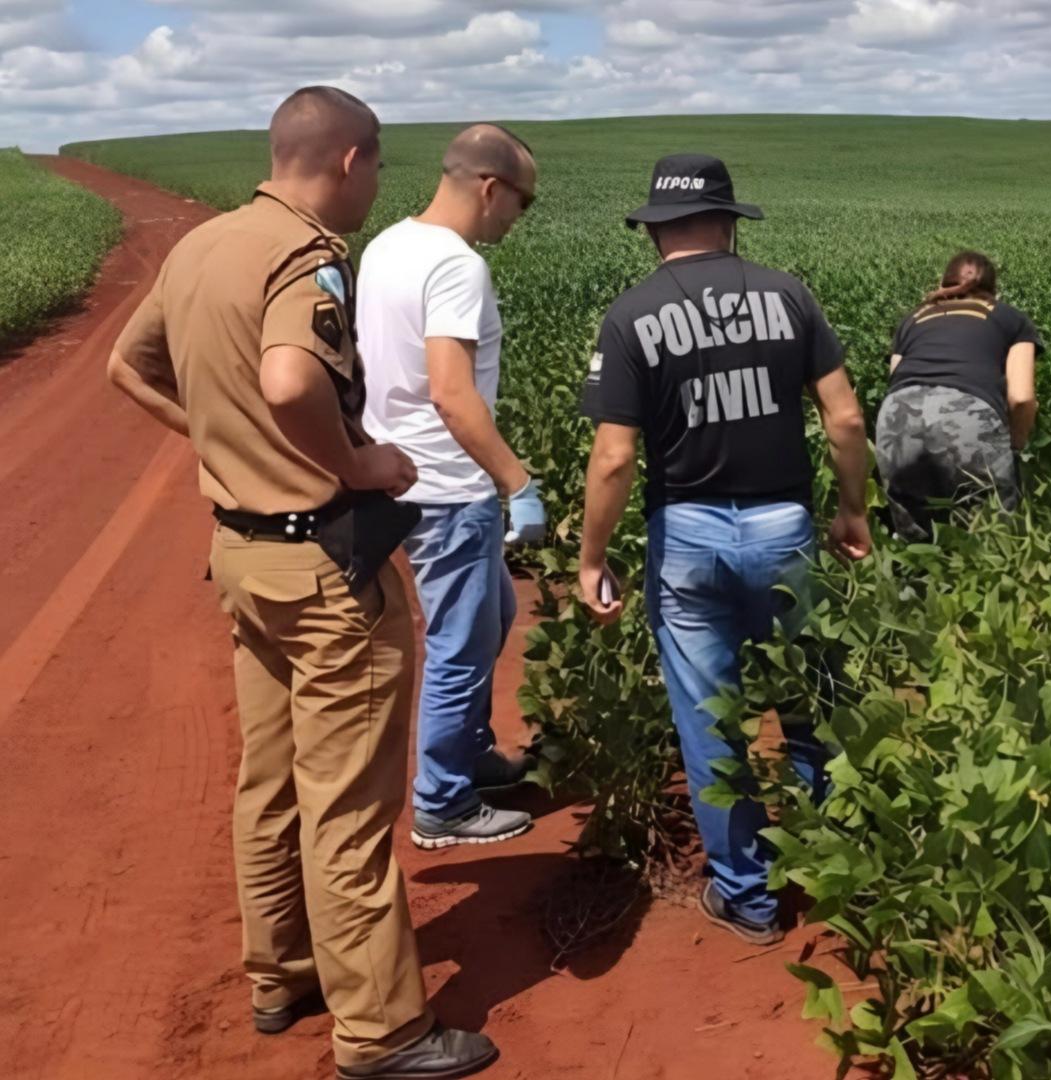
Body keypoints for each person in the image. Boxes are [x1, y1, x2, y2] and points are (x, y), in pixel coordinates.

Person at [106, 87, 497, 1080]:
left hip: (240, 554)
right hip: (324, 567)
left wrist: (223, 443)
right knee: (348, 805)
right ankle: (382, 1032)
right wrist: (355, 466)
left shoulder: (199, 245)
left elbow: (127, 365)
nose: (374, 189)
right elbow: (290, 379)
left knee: (267, 782)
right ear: (351, 160)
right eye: (376, 171)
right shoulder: (306, 254)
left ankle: (281, 975)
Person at [576, 153, 871, 945]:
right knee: (808, 697)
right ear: (731, 221)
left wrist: (591, 557)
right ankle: (817, 854)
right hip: (783, 527)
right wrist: (852, 512)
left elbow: (612, 458)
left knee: (712, 719)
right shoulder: (789, 294)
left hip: (689, 536)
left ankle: (748, 899)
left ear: (655, 232)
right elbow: (844, 420)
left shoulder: (630, 314)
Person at [357, 124, 544, 850]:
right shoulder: (456, 266)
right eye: (519, 205)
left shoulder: (384, 245)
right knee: (461, 644)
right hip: (447, 485)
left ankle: (468, 755)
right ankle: (442, 802)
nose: (514, 221)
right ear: (491, 189)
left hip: (400, 475)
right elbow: (451, 393)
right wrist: (516, 481)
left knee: (492, 613)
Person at [874, 251, 1042, 540]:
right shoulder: (1008, 318)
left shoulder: (913, 318)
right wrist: (1013, 445)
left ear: (943, 282)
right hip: (967, 413)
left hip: (897, 415)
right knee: (990, 540)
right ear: (994, 289)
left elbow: (896, 378)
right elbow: (1022, 398)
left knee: (914, 543)